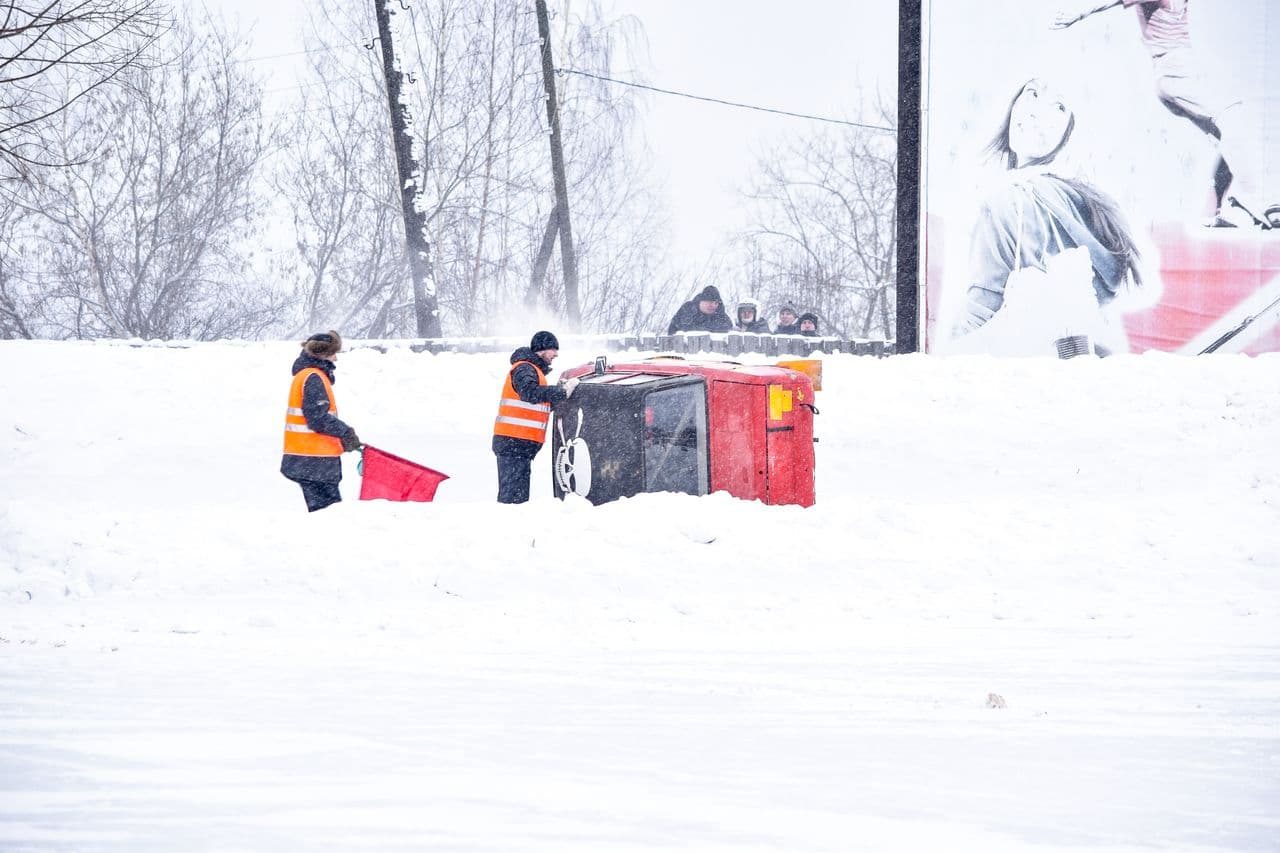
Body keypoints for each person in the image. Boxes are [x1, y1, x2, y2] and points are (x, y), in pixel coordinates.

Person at [952, 78, 1147, 355]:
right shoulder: (1095, 205)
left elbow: (982, 304)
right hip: (1084, 366)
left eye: (1058, 106)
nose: (1036, 112)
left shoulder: (1008, 201)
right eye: (1032, 93)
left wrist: (946, 366)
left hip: (1027, 372)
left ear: (1071, 130)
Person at [1051, 0, 1275, 228]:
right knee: (1231, 116)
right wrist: (1077, 13)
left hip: (1178, 69)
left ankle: (1222, 208)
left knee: (1225, 135)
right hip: (1174, 69)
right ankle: (1250, 201)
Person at [493, 330, 580, 504]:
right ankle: (508, 527)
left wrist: (559, 395)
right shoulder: (524, 367)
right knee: (512, 499)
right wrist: (561, 392)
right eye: (553, 349)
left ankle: (513, 526)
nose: (556, 354)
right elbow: (529, 393)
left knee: (517, 497)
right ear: (541, 349)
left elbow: (538, 405)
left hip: (519, 444)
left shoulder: (533, 371)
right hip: (513, 442)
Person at [281, 330, 362, 512]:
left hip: (310, 460)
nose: (336, 359)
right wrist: (345, 432)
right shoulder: (313, 378)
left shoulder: (307, 375)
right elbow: (317, 419)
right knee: (328, 516)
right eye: (333, 353)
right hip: (314, 460)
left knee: (325, 514)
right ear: (322, 354)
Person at [666, 285, 732, 334]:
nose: (713, 305)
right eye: (709, 302)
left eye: (716, 303)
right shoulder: (687, 311)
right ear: (701, 301)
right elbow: (673, 330)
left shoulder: (722, 318)